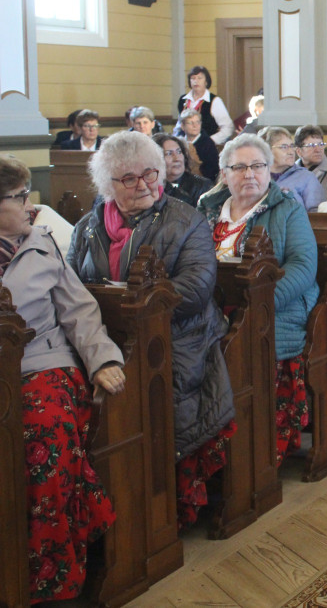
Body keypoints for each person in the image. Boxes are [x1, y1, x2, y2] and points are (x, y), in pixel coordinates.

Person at [66, 131, 236, 529]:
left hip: (180, 331)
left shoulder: (185, 218)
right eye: (128, 178)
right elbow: (72, 284)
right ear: (107, 184)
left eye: (149, 173)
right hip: (107, 335)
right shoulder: (88, 227)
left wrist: (137, 308)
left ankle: (162, 503)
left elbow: (196, 288)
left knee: (165, 387)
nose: (143, 184)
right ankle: (105, 506)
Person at [0, 155, 124, 603]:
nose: (30, 207)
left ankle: (49, 576)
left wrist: (102, 360)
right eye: (18, 198)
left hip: (43, 363)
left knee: (42, 441)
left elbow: (80, 310)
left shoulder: (41, 243)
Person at [197, 134, 318, 464]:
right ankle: (202, 454)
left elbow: (304, 267)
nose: (249, 174)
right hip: (210, 311)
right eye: (239, 167)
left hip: (273, 309)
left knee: (242, 348)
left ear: (269, 172)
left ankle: (252, 455)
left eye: (257, 166)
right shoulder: (207, 209)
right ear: (224, 173)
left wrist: (260, 303)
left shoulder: (288, 209)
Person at [260, 126, 323, 210]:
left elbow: (319, 216)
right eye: (284, 147)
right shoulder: (256, 177)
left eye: (291, 146)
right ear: (266, 151)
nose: (291, 152)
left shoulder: (307, 177)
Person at [175, 65, 233, 145]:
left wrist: (210, 141)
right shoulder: (183, 100)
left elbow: (228, 128)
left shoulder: (214, 101)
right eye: (193, 78)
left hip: (207, 147)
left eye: (199, 78)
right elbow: (179, 125)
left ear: (206, 81)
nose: (196, 81)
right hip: (185, 146)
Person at [156, 133, 213, 207]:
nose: (177, 158)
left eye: (179, 152)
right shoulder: (150, 187)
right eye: (169, 154)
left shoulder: (202, 186)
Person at [295, 124, 327, 198]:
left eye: (321, 144)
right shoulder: (289, 174)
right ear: (299, 151)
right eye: (312, 145)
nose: (318, 150)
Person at [179, 108, 221, 182]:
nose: (195, 126)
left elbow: (213, 170)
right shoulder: (179, 142)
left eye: (198, 122)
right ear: (182, 126)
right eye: (191, 123)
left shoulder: (208, 144)